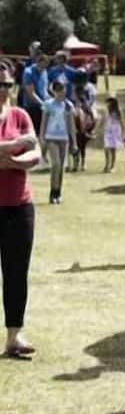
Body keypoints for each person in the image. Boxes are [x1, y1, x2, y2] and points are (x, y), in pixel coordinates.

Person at [0, 62, 40, 359]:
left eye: (6, 85)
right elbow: (25, 146)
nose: (3, 90)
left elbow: (35, 153)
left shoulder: (20, 115)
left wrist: (9, 156)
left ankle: (14, 336)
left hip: (19, 207)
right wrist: (18, 145)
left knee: (17, 273)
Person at [39, 81, 75, 205]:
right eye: (58, 90)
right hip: (51, 137)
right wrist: (42, 137)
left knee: (61, 168)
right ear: (54, 91)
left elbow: (71, 125)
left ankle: (57, 192)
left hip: (63, 139)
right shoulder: (48, 104)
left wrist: (74, 142)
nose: (61, 92)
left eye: (63, 89)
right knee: (56, 164)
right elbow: (44, 121)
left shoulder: (68, 105)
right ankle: (52, 192)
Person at [19, 55, 49, 167]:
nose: (44, 69)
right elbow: (30, 93)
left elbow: (45, 89)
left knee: (44, 134)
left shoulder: (45, 72)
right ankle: (30, 159)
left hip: (43, 107)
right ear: (38, 62)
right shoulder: (28, 72)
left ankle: (42, 158)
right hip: (31, 107)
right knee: (32, 135)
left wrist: (50, 101)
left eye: (46, 66)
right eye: (42, 65)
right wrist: (43, 104)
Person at [68, 72, 97, 172]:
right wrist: (77, 105)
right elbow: (73, 99)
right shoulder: (75, 87)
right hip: (78, 106)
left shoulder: (90, 87)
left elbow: (92, 99)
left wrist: (87, 106)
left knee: (95, 116)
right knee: (73, 114)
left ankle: (92, 130)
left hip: (88, 105)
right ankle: (71, 128)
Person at [103, 97, 124, 173]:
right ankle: (106, 164)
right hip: (108, 130)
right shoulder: (106, 111)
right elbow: (104, 119)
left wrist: (122, 132)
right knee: (106, 148)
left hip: (115, 130)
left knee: (113, 149)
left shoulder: (118, 111)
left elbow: (121, 121)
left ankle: (112, 166)